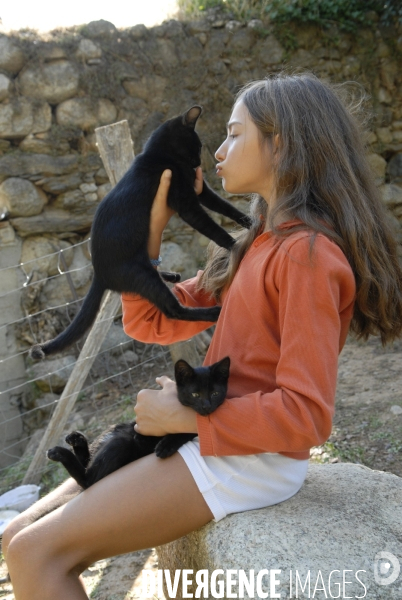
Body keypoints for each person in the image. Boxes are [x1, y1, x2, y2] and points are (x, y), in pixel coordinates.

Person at [4, 73, 402, 599]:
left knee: (37, 554)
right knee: (14, 537)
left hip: (252, 459)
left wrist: (186, 415)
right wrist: (151, 226)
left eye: (235, 134)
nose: (216, 150)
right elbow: (150, 321)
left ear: (279, 144)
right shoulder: (255, 244)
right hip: (212, 440)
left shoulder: (307, 255)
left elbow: (307, 415)